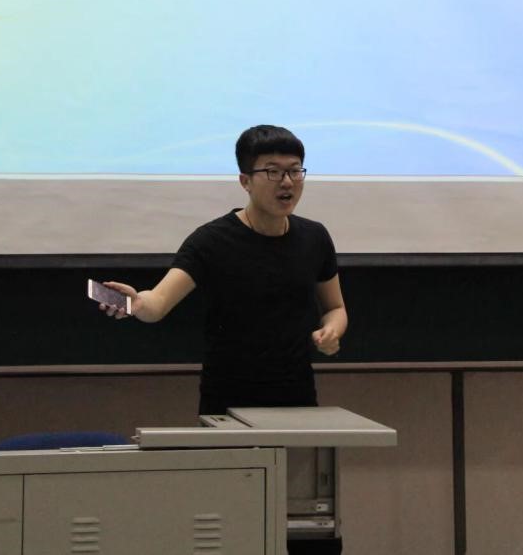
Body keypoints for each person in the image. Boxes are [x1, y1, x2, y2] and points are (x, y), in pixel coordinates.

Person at [99, 124, 347, 415]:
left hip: (298, 397)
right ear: (245, 181)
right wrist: (136, 303)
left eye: (295, 171)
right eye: (273, 171)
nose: (287, 182)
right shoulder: (212, 241)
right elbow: (158, 302)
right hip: (228, 404)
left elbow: (335, 308)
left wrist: (332, 331)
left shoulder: (314, 237)